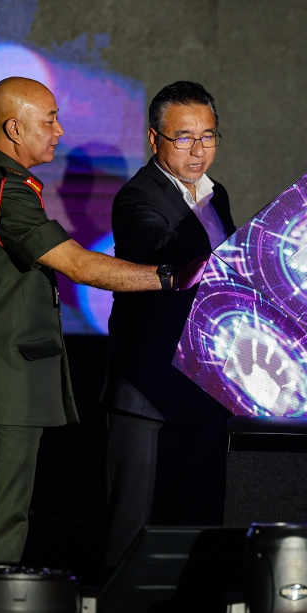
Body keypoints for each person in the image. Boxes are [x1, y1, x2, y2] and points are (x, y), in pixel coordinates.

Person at [0, 77, 193, 565]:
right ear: (14, 128)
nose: (59, 130)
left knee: (5, 520)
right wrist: (174, 277)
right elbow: (78, 264)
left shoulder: (6, 184)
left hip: (8, 384)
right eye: (49, 119)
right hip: (0, 385)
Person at [102, 81, 236, 568]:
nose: (199, 150)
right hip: (149, 392)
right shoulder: (136, 197)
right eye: (184, 137)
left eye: (208, 136)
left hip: (207, 390)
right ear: (154, 139)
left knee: (195, 535)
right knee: (133, 538)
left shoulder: (215, 195)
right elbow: (170, 258)